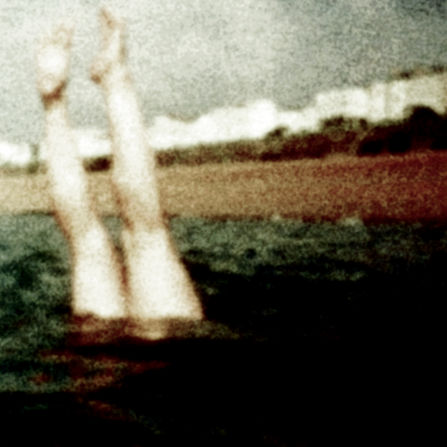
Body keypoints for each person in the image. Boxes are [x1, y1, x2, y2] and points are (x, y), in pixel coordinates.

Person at [36, 8, 203, 340]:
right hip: (166, 347)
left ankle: (54, 101)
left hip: (99, 360)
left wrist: (51, 102)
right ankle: (114, 79)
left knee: (88, 243)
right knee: (145, 237)